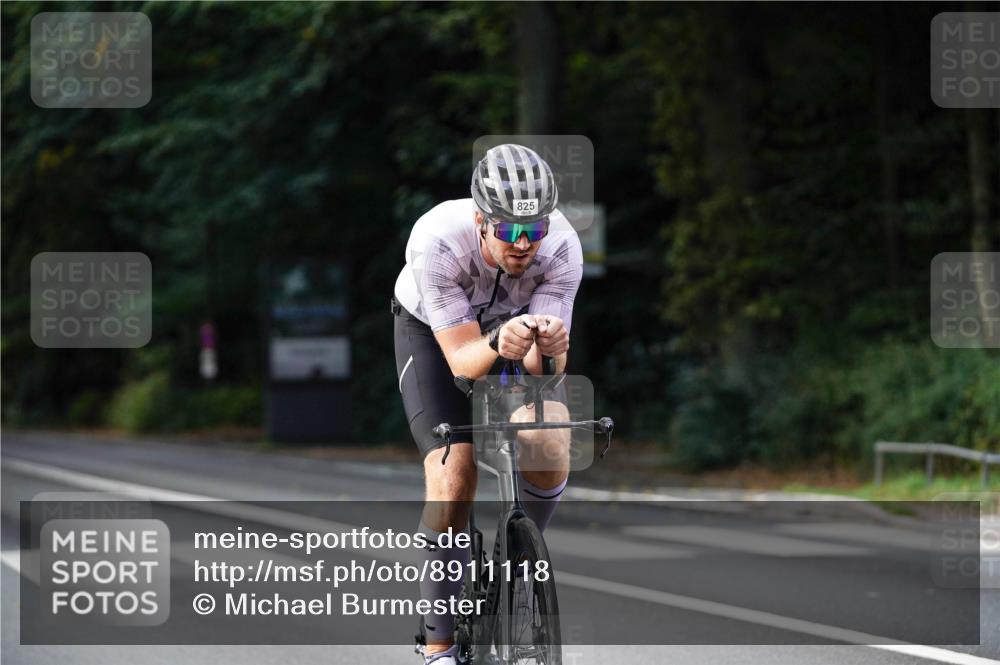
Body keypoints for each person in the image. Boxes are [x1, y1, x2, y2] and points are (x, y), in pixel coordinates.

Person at [392, 144, 583, 665]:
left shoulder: (562, 247)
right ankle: (439, 648)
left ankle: (519, 560)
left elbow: (546, 376)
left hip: (514, 333)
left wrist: (553, 351)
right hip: (437, 338)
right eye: (507, 231)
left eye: (534, 230)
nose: (523, 244)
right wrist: (500, 342)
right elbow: (461, 363)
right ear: (481, 221)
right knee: (453, 477)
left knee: (549, 434)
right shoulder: (437, 242)